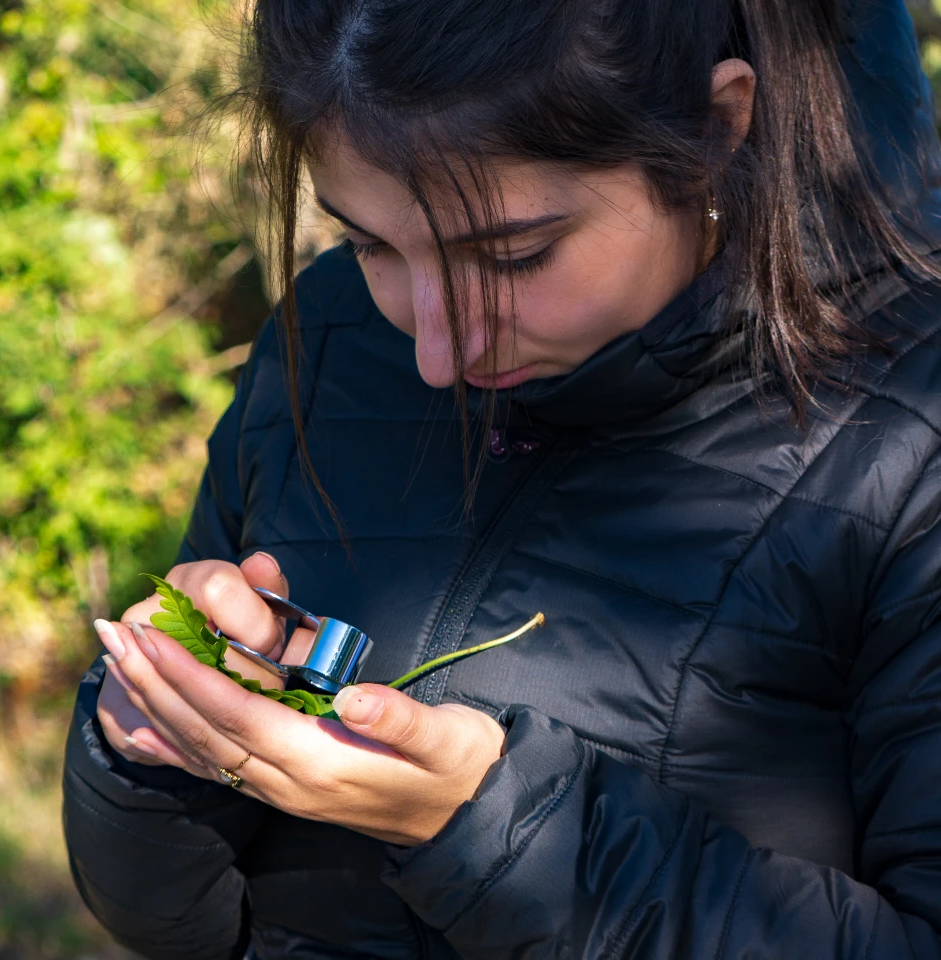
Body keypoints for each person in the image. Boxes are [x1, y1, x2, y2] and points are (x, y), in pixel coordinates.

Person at [63, 0, 941, 957]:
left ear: (717, 127)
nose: (438, 353)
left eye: (514, 256)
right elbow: (181, 924)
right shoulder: (331, 338)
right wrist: (150, 745)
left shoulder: (910, 431)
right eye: (368, 244)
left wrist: (500, 833)